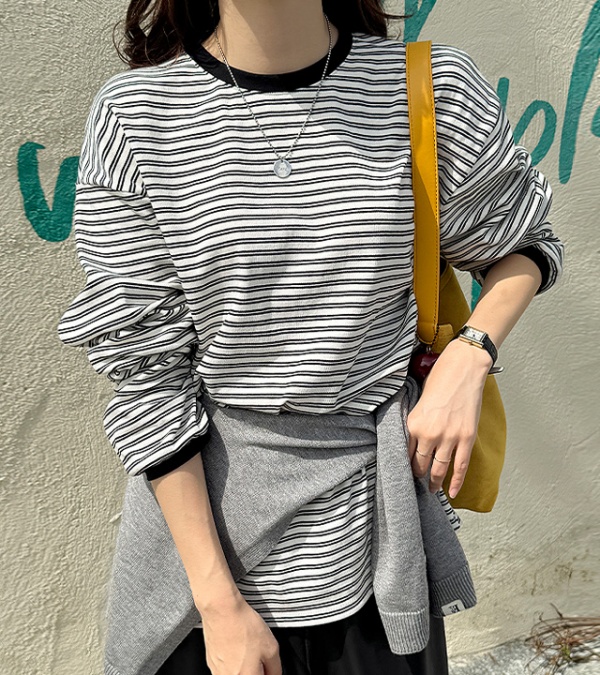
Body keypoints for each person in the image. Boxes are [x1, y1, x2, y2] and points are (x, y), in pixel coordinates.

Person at [56, 1, 565, 674]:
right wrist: (219, 605)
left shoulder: (429, 87)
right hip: (207, 566)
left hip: (377, 545)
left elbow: (524, 246)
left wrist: (470, 356)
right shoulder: (136, 116)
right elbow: (149, 377)